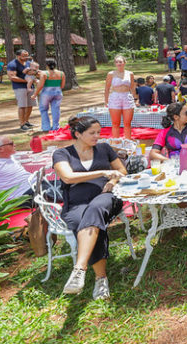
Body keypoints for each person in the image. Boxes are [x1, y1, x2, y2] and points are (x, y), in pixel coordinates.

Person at [53, 116, 127, 299]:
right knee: (86, 222)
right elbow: (68, 177)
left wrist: (113, 180)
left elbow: (122, 171)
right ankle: (101, 280)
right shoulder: (62, 154)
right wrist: (102, 172)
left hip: (106, 197)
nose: (97, 137)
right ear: (78, 134)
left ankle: (79, 268)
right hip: (76, 204)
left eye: (98, 132)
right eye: (92, 133)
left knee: (95, 210)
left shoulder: (104, 148)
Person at [0, 136, 48, 206]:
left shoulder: (10, 157)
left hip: (36, 185)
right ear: (0, 149)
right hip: (24, 196)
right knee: (57, 191)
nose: (15, 145)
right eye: (11, 143)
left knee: (59, 183)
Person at [104, 55, 136, 140]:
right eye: (117, 62)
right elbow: (107, 88)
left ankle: (128, 142)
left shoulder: (130, 74)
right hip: (115, 97)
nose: (119, 63)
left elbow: (132, 87)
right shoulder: (111, 74)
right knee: (115, 123)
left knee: (127, 123)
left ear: (124, 63)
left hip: (127, 97)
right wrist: (106, 101)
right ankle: (116, 143)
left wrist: (135, 98)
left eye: (120, 62)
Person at [33, 58, 65, 131]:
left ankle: (46, 127)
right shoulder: (61, 73)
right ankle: (55, 127)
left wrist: (35, 94)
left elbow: (40, 85)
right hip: (58, 92)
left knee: (43, 109)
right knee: (56, 109)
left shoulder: (44, 74)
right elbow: (62, 86)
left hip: (46, 93)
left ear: (47, 65)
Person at [8, 49, 34, 130]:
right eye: (24, 56)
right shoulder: (12, 64)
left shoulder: (29, 63)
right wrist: (26, 81)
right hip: (19, 87)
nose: (26, 57)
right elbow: (12, 77)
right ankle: (22, 124)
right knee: (22, 105)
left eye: (27, 55)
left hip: (30, 87)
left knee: (30, 105)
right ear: (18, 56)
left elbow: (33, 72)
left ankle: (26, 121)